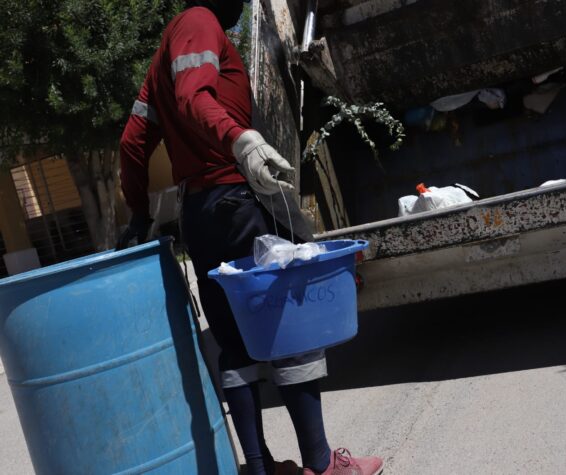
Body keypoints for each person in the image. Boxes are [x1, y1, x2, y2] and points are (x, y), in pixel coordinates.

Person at [116, 1, 384, 474]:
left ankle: (259, 470)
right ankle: (322, 465)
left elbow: (133, 142)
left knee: (234, 344)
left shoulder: (162, 58)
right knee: (287, 329)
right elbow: (194, 96)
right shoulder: (200, 22)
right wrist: (240, 139)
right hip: (236, 202)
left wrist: (139, 213)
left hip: (200, 214)